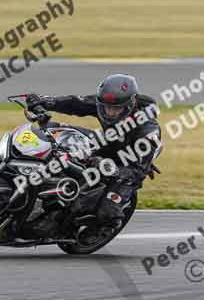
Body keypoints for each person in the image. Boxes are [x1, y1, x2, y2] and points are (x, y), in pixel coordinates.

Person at [25, 73, 162, 220]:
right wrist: (45, 101)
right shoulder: (102, 103)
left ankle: (96, 227)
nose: (109, 112)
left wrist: (110, 168)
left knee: (107, 213)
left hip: (129, 163)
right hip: (108, 143)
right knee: (57, 132)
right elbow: (75, 103)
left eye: (116, 109)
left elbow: (138, 171)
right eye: (106, 107)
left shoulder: (147, 129)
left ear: (131, 104)